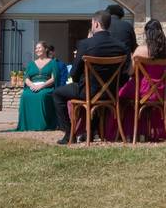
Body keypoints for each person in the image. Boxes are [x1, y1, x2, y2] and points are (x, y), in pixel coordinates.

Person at [52, 10, 129, 144]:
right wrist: (113, 88)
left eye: (92, 23)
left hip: (87, 91)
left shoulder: (85, 44)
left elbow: (74, 73)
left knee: (57, 94)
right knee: (92, 94)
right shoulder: (121, 46)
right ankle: (92, 130)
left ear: (96, 24)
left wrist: (79, 81)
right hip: (111, 93)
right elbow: (125, 74)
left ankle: (70, 133)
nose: (92, 25)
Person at [116, 19, 166, 141]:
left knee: (121, 97)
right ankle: (146, 133)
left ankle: (129, 133)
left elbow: (131, 72)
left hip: (140, 90)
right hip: (159, 92)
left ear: (147, 34)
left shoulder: (139, 51)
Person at [14, 41, 58, 131]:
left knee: (42, 95)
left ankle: (42, 125)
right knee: (25, 95)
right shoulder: (31, 64)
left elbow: (53, 79)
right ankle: (28, 125)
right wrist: (32, 85)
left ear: (45, 49)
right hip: (33, 86)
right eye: (36, 48)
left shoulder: (53, 62)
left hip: (46, 86)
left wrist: (41, 86)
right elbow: (26, 78)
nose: (37, 50)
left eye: (39, 48)